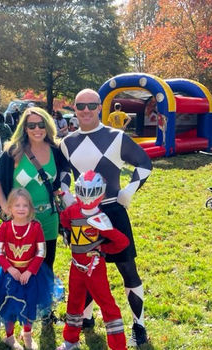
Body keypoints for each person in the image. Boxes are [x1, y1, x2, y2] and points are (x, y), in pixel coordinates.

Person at [60, 88, 152, 346]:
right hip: (82, 214)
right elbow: (63, 172)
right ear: (75, 109)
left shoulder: (117, 137)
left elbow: (144, 164)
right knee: (85, 267)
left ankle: (139, 326)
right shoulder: (66, 143)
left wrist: (128, 190)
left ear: (100, 107)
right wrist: (66, 193)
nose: (86, 110)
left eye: (91, 105)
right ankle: (86, 318)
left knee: (127, 269)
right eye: (81, 106)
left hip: (112, 210)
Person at [0, 107, 69, 271]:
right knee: (20, 267)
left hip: (48, 218)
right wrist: (5, 206)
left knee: (46, 266)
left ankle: (43, 296)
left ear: (47, 126)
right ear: (25, 128)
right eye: (31, 126)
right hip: (21, 220)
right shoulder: (14, 151)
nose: (37, 129)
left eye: (41, 125)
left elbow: (63, 176)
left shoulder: (56, 150)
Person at [57, 170, 129, 350]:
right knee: (73, 302)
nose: (87, 198)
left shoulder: (100, 218)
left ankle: (118, 346)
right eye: (84, 192)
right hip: (76, 266)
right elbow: (65, 219)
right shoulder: (73, 210)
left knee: (107, 305)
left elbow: (122, 241)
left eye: (91, 193)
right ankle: (71, 340)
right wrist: (66, 231)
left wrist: (103, 249)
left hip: (94, 267)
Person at [0, 188, 54, 350]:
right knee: (10, 306)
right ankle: (9, 337)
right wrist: (11, 269)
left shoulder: (36, 227)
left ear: (30, 208)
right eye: (17, 205)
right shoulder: (5, 227)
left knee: (29, 304)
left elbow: (41, 252)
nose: (21, 208)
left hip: (32, 275)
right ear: (9, 208)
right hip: (9, 276)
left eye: (25, 205)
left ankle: (27, 334)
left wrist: (29, 271)